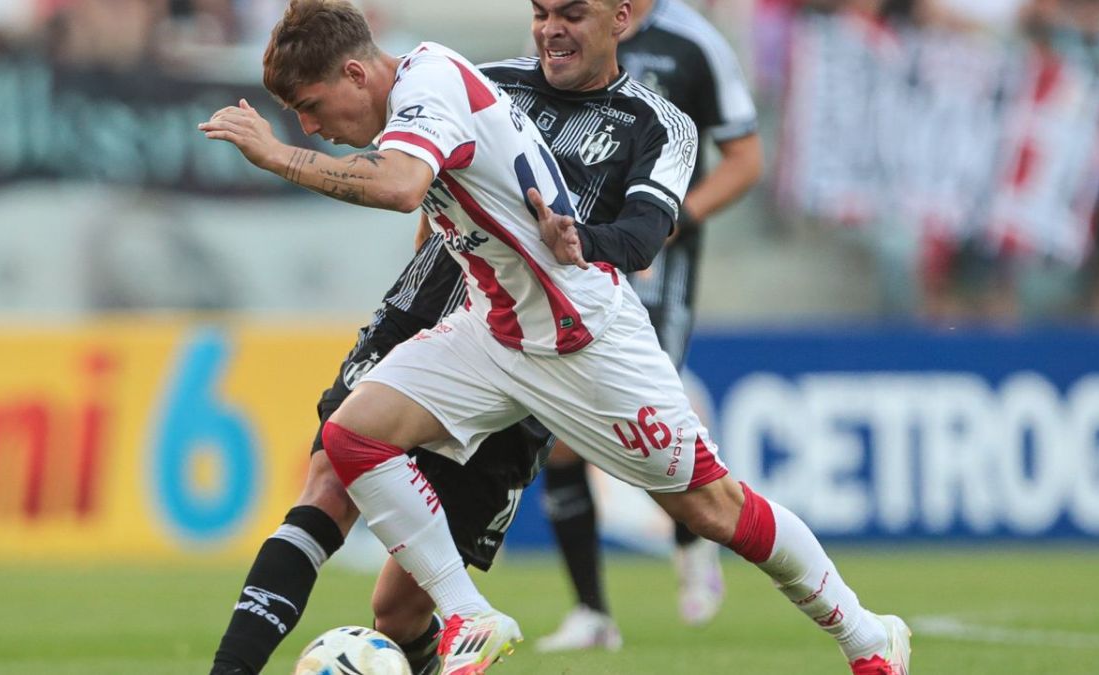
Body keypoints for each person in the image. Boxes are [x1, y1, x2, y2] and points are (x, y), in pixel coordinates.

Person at [201, 2, 911, 675]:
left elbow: (403, 186)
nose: (549, 29)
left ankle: (868, 636)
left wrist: (277, 155)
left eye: (313, 109)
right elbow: (435, 202)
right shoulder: (464, 78)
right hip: (491, 327)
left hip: (581, 339)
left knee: (711, 507)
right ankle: (468, 613)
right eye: (541, 13)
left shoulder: (447, 86)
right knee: (351, 438)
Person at [535, 0, 764, 652]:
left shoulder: (694, 43)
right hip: (577, 255)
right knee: (559, 434)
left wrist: (671, 219)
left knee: (645, 414)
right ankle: (591, 612)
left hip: (658, 262)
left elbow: (745, 159)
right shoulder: (565, 32)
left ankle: (694, 534)